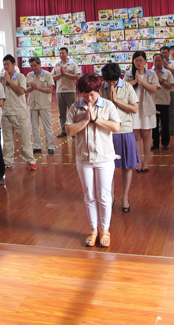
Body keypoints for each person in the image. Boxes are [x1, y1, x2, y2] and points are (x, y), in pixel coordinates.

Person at [66, 74, 121, 247]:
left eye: (92, 94)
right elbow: (69, 130)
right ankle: (93, 230)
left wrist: (96, 119)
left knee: (104, 196)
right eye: (85, 94)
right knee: (89, 195)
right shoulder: (75, 107)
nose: (89, 98)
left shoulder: (108, 105)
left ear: (97, 90)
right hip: (84, 158)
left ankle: (105, 229)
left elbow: (116, 126)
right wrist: (86, 120)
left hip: (104, 158)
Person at [100, 63, 139, 213]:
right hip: (108, 131)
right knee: (108, 167)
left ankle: (125, 197)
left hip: (125, 130)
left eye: (113, 81)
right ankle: (110, 195)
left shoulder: (127, 87)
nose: (111, 84)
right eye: (108, 81)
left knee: (126, 166)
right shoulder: (102, 87)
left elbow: (134, 109)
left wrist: (116, 101)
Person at [0, 55, 37, 171]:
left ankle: (30, 161)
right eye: (4, 65)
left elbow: (21, 91)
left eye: (7, 64)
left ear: (13, 65)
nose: (6, 67)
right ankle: (7, 160)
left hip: (19, 113)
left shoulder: (20, 77)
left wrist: (10, 81)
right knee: (7, 140)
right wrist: (5, 81)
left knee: (24, 139)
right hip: (5, 113)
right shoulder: (1, 78)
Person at [124, 51, 159, 172]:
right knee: (136, 136)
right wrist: (135, 80)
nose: (138, 62)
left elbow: (154, 89)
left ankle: (146, 162)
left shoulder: (151, 74)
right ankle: (138, 162)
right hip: (133, 109)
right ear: (133, 62)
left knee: (147, 135)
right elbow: (123, 89)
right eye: (136, 60)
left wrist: (141, 81)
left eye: (140, 60)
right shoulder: (128, 75)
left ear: (145, 61)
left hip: (147, 109)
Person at [26, 56, 55, 155]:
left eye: (35, 65)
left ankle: (50, 146)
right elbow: (25, 89)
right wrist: (31, 87)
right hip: (33, 104)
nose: (33, 68)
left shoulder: (47, 75)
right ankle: (37, 146)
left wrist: (37, 87)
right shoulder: (29, 75)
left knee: (47, 127)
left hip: (44, 104)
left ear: (39, 64)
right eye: (31, 66)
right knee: (34, 127)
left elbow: (50, 90)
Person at [52, 47, 80, 137]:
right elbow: (52, 77)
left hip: (70, 91)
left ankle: (74, 131)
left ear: (67, 54)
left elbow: (77, 76)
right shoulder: (57, 65)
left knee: (72, 112)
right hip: (59, 92)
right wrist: (61, 74)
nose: (61, 55)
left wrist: (66, 74)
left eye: (63, 53)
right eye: (60, 53)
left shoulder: (73, 64)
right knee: (62, 113)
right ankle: (63, 131)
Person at [151, 53, 174, 150]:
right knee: (154, 125)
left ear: (163, 61)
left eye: (159, 61)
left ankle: (165, 143)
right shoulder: (149, 73)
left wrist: (160, 80)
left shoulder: (168, 73)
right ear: (153, 62)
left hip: (164, 102)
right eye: (155, 61)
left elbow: (170, 86)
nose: (157, 63)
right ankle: (155, 143)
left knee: (165, 124)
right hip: (153, 102)